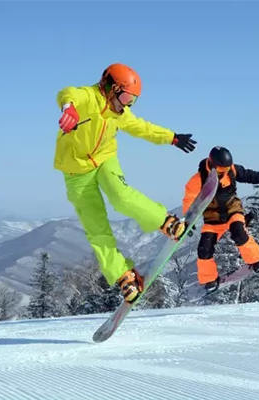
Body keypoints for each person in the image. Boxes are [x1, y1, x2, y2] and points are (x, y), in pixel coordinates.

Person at [54, 63, 197, 303]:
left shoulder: (119, 113)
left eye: (133, 100)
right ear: (112, 88)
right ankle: (123, 275)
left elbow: (142, 128)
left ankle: (165, 221)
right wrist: (69, 108)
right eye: (127, 97)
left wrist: (172, 138)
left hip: (104, 160)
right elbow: (68, 93)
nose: (128, 104)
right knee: (95, 227)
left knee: (120, 196)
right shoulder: (88, 97)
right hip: (76, 171)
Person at [182, 146, 259, 292]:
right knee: (204, 249)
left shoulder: (231, 170)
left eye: (227, 168)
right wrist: (188, 220)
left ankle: (256, 260)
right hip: (213, 219)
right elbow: (189, 200)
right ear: (212, 164)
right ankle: (209, 279)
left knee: (239, 233)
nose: (225, 171)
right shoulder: (198, 180)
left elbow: (251, 175)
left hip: (232, 210)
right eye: (222, 169)